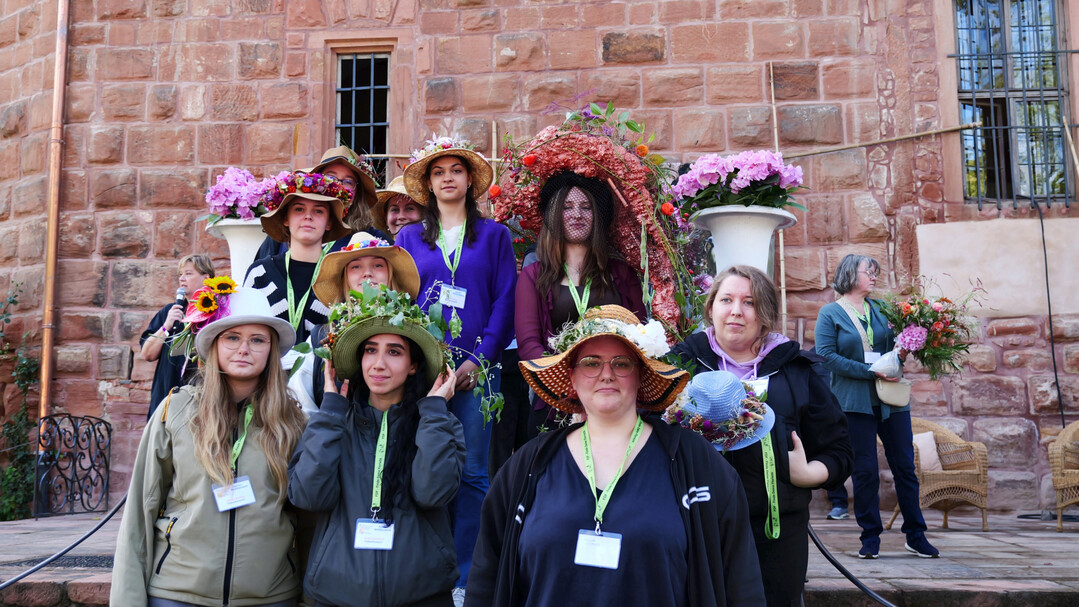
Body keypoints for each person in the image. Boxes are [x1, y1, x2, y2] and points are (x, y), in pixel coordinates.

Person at [466, 305, 764, 607]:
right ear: (572, 377)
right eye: (591, 363)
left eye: (621, 364)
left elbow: (741, 580)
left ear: (640, 376)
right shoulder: (528, 467)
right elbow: (485, 578)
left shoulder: (694, 463)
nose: (606, 374)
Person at [668, 265, 853, 607]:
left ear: (765, 312)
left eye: (749, 302)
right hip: (693, 527)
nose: (736, 311)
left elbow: (839, 448)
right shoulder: (678, 366)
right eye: (726, 300)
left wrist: (812, 473)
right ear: (711, 308)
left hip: (776, 536)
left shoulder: (796, 370)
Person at [112, 286, 307, 607]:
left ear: (272, 350)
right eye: (232, 337)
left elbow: (308, 517)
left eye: (257, 339)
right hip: (178, 593)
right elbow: (138, 513)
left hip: (270, 595)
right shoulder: (174, 411)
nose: (244, 348)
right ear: (214, 345)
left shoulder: (291, 421)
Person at [288, 288, 466, 607]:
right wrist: (329, 411)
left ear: (413, 365)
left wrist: (435, 412)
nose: (379, 364)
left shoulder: (439, 424)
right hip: (338, 594)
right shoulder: (333, 422)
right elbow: (308, 496)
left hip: (421, 595)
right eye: (371, 350)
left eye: (394, 352)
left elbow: (432, 493)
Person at [394, 137, 516, 593]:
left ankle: (465, 578)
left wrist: (479, 361)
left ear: (469, 181)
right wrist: (425, 362)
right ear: (428, 184)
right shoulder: (408, 238)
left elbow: (504, 300)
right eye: (438, 171)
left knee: (471, 473)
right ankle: (426, 568)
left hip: (478, 372)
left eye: (456, 170)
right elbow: (401, 302)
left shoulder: (495, 236)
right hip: (425, 372)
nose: (448, 177)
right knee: (422, 464)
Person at [815, 254, 940, 559]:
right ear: (849, 275)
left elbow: (897, 346)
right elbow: (826, 356)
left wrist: (904, 351)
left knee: (905, 467)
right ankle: (870, 536)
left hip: (892, 399)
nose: (873, 277)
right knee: (866, 470)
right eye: (867, 272)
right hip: (855, 402)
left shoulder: (883, 309)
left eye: (875, 272)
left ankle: (915, 534)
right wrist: (869, 371)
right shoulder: (830, 313)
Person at [515, 171, 646, 436]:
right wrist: (570, 388)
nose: (577, 215)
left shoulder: (621, 273)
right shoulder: (533, 276)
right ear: (554, 215)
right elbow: (529, 345)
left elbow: (640, 332)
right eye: (567, 207)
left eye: (586, 207)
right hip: (556, 403)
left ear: (597, 217)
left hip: (615, 397)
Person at [288, 231, 421, 415]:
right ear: (346, 279)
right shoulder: (321, 338)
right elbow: (303, 408)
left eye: (377, 265)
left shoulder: (415, 335)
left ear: (391, 274)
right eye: (356, 267)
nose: (367, 273)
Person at [244, 172, 353, 343]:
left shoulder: (341, 277)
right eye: (299, 209)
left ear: (329, 222)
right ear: (286, 218)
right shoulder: (259, 273)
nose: (308, 216)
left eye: (318, 211)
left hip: (321, 369)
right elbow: (243, 327)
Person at [254, 145, 387, 260]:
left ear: (357, 191)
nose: (338, 185)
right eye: (331, 177)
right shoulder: (287, 232)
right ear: (316, 182)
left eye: (348, 181)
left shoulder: (373, 238)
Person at [139, 254, 214, 419]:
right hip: (166, 396)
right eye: (180, 274)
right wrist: (166, 326)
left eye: (188, 273)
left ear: (206, 277)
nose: (182, 279)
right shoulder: (170, 311)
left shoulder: (217, 310)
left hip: (200, 398)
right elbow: (147, 354)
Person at [373, 176, 425, 240]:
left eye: (409, 209)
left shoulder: (438, 247)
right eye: (395, 210)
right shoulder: (373, 249)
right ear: (386, 218)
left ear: (423, 215)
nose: (401, 216)